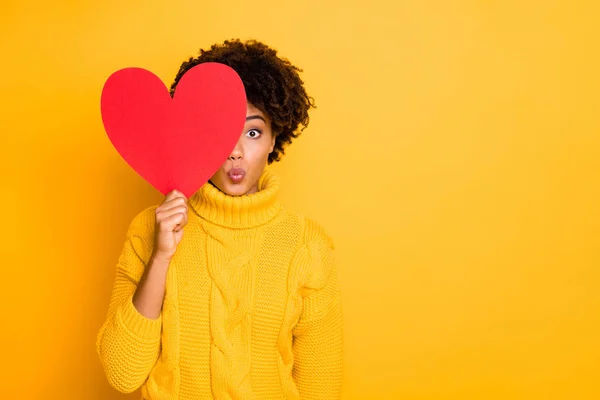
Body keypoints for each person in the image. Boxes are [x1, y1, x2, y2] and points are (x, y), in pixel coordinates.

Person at [96, 38, 343, 400]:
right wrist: (161, 256)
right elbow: (122, 373)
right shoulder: (149, 229)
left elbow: (321, 386)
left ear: (275, 137)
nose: (235, 152)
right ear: (196, 135)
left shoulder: (308, 246)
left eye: (253, 132)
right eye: (220, 131)